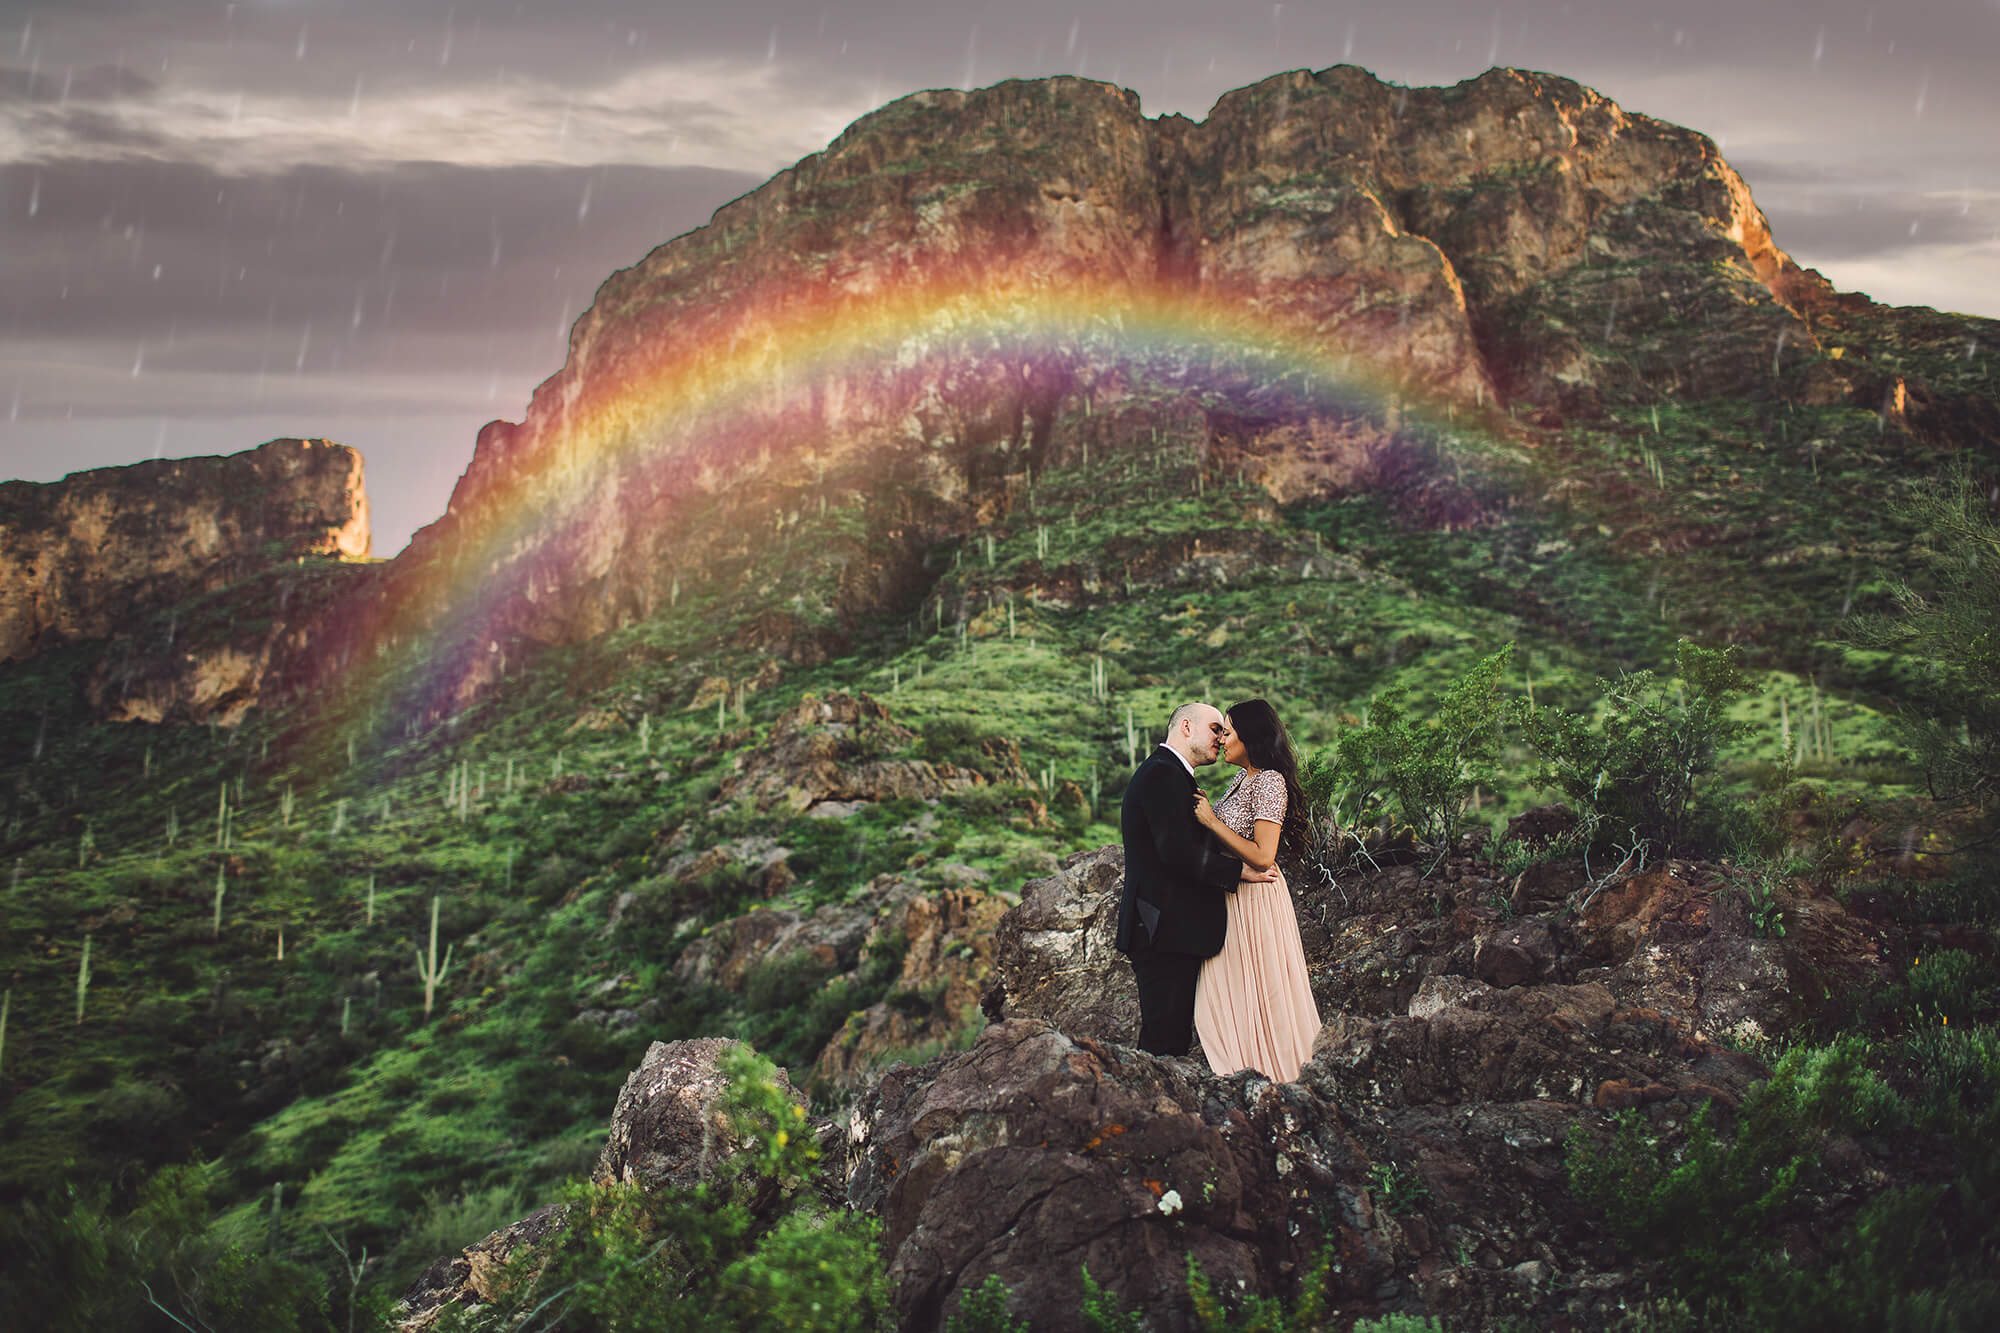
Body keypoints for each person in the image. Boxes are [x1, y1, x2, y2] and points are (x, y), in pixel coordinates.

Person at [1116, 701, 1273, 1056]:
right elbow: (1175, 851)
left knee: (1169, 1034)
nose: (1221, 737)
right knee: (1164, 1038)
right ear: (1186, 727)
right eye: (1215, 728)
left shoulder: (1171, 773)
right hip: (1162, 930)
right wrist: (1239, 871)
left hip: (1169, 929)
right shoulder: (1162, 774)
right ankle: (1154, 1107)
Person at [1190, 699, 1323, 1082]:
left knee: (1263, 990)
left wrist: (1212, 823)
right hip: (1234, 895)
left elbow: (1265, 855)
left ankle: (1272, 1073)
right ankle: (1242, 1069)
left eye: (1228, 732)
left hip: (1256, 899)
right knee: (1228, 989)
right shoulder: (1241, 779)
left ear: (1250, 737)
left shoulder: (1269, 781)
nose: (1223, 740)